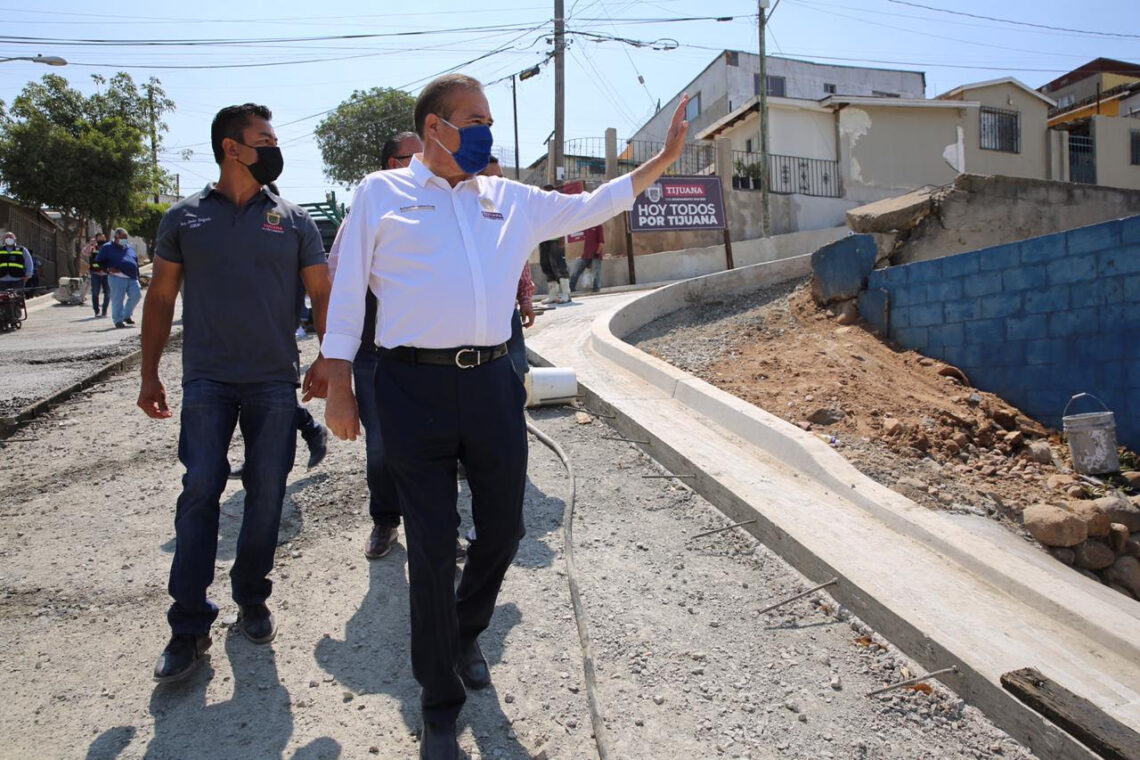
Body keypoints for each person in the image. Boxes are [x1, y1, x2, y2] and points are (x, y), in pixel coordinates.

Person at [320, 73, 689, 759]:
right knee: (430, 549)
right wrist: (339, 382)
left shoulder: (506, 199)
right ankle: (438, 702)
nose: (487, 130)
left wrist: (662, 161)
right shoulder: (381, 193)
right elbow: (346, 293)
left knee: (506, 529)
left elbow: (596, 203)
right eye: (474, 117)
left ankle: (464, 629)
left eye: (489, 118)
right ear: (435, 127)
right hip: (409, 388)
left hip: (491, 383)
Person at [138, 103, 331, 684]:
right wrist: (149, 373)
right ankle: (188, 625)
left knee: (268, 490)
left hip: (274, 379)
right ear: (232, 147)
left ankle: (251, 595)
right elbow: (161, 298)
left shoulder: (294, 220)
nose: (274, 147)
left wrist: (327, 357)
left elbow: (322, 293)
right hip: (207, 379)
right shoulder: (185, 217)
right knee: (200, 487)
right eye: (264, 138)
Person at [480, 157, 535, 382]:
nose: (498, 183)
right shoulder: (463, 217)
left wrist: (525, 300)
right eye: (491, 178)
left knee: (517, 368)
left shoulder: (506, 214)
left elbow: (519, 260)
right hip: (477, 314)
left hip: (507, 311)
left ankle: (516, 415)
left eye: (501, 178)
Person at [96, 228, 141, 328]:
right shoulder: (107, 247)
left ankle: (126, 315)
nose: (124, 239)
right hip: (117, 277)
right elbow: (99, 261)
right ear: (116, 237)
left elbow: (135, 261)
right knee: (118, 299)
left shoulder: (129, 248)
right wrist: (107, 269)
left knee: (136, 295)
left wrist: (138, 274)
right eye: (122, 238)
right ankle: (118, 320)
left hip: (132, 277)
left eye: (126, 238)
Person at [536, 190, 571, 305]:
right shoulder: (540, 208)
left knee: (559, 265)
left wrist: (562, 238)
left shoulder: (557, 207)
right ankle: (553, 295)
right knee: (546, 266)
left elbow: (563, 223)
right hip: (543, 240)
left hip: (555, 239)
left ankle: (566, 293)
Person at [569, 223, 605, 294]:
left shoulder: (599, 226)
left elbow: (601, 242)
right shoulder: (587, 227)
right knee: (576, 271)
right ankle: (570, 289)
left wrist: (597, 253)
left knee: (596, 273)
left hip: (596, 255)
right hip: (585, 255)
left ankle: (596, 289)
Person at [83, 232, 111, 317]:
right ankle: (96, 310)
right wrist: (90, 244)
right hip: (95, 273)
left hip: (106, 273)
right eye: (99, 238)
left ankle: (104, 310)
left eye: (103, 238)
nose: (101, 239)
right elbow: (85, 252)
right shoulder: (93, 247)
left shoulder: (108, 247)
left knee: (108, 293)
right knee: (95, 293)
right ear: (96, 239)